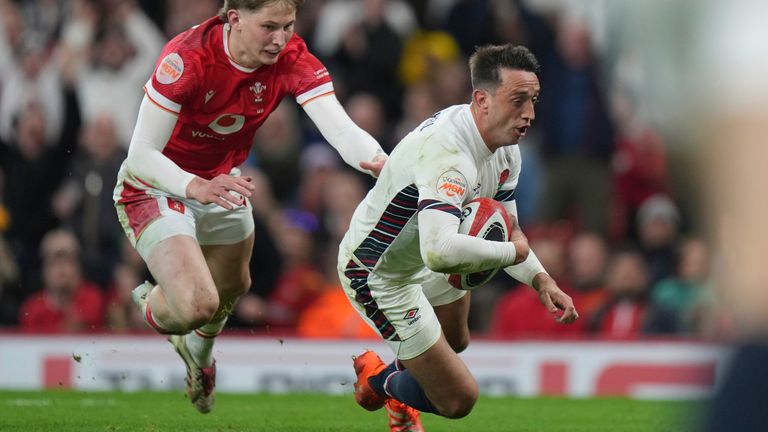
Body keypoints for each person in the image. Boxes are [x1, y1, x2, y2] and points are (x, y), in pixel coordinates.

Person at [112, 0, 387, 414]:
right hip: (157, 185)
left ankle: (201, 362)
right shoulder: (187, 59)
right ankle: (150, 303)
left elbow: (342, 131)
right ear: (235, 19)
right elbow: (140, 155)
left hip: (221, 182)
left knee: (234, 286)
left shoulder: (292, 57)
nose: (280, 39)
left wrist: (384, 163)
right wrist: (195, 186)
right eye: (269, 27)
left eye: (288, 26)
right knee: (196, 306)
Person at [338, 44, 578, 430]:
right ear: (481, 100)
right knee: (457, 399)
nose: (529, 114)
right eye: (518, 101)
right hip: (376, 272)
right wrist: (513, 252)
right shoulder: (449, 153)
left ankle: (398, 389)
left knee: (456, 340)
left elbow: (509, 230)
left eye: (533, 100)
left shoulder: (505, 150)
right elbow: (440, 252)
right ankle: (377, 381)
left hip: (423, 252)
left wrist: (541, 279)